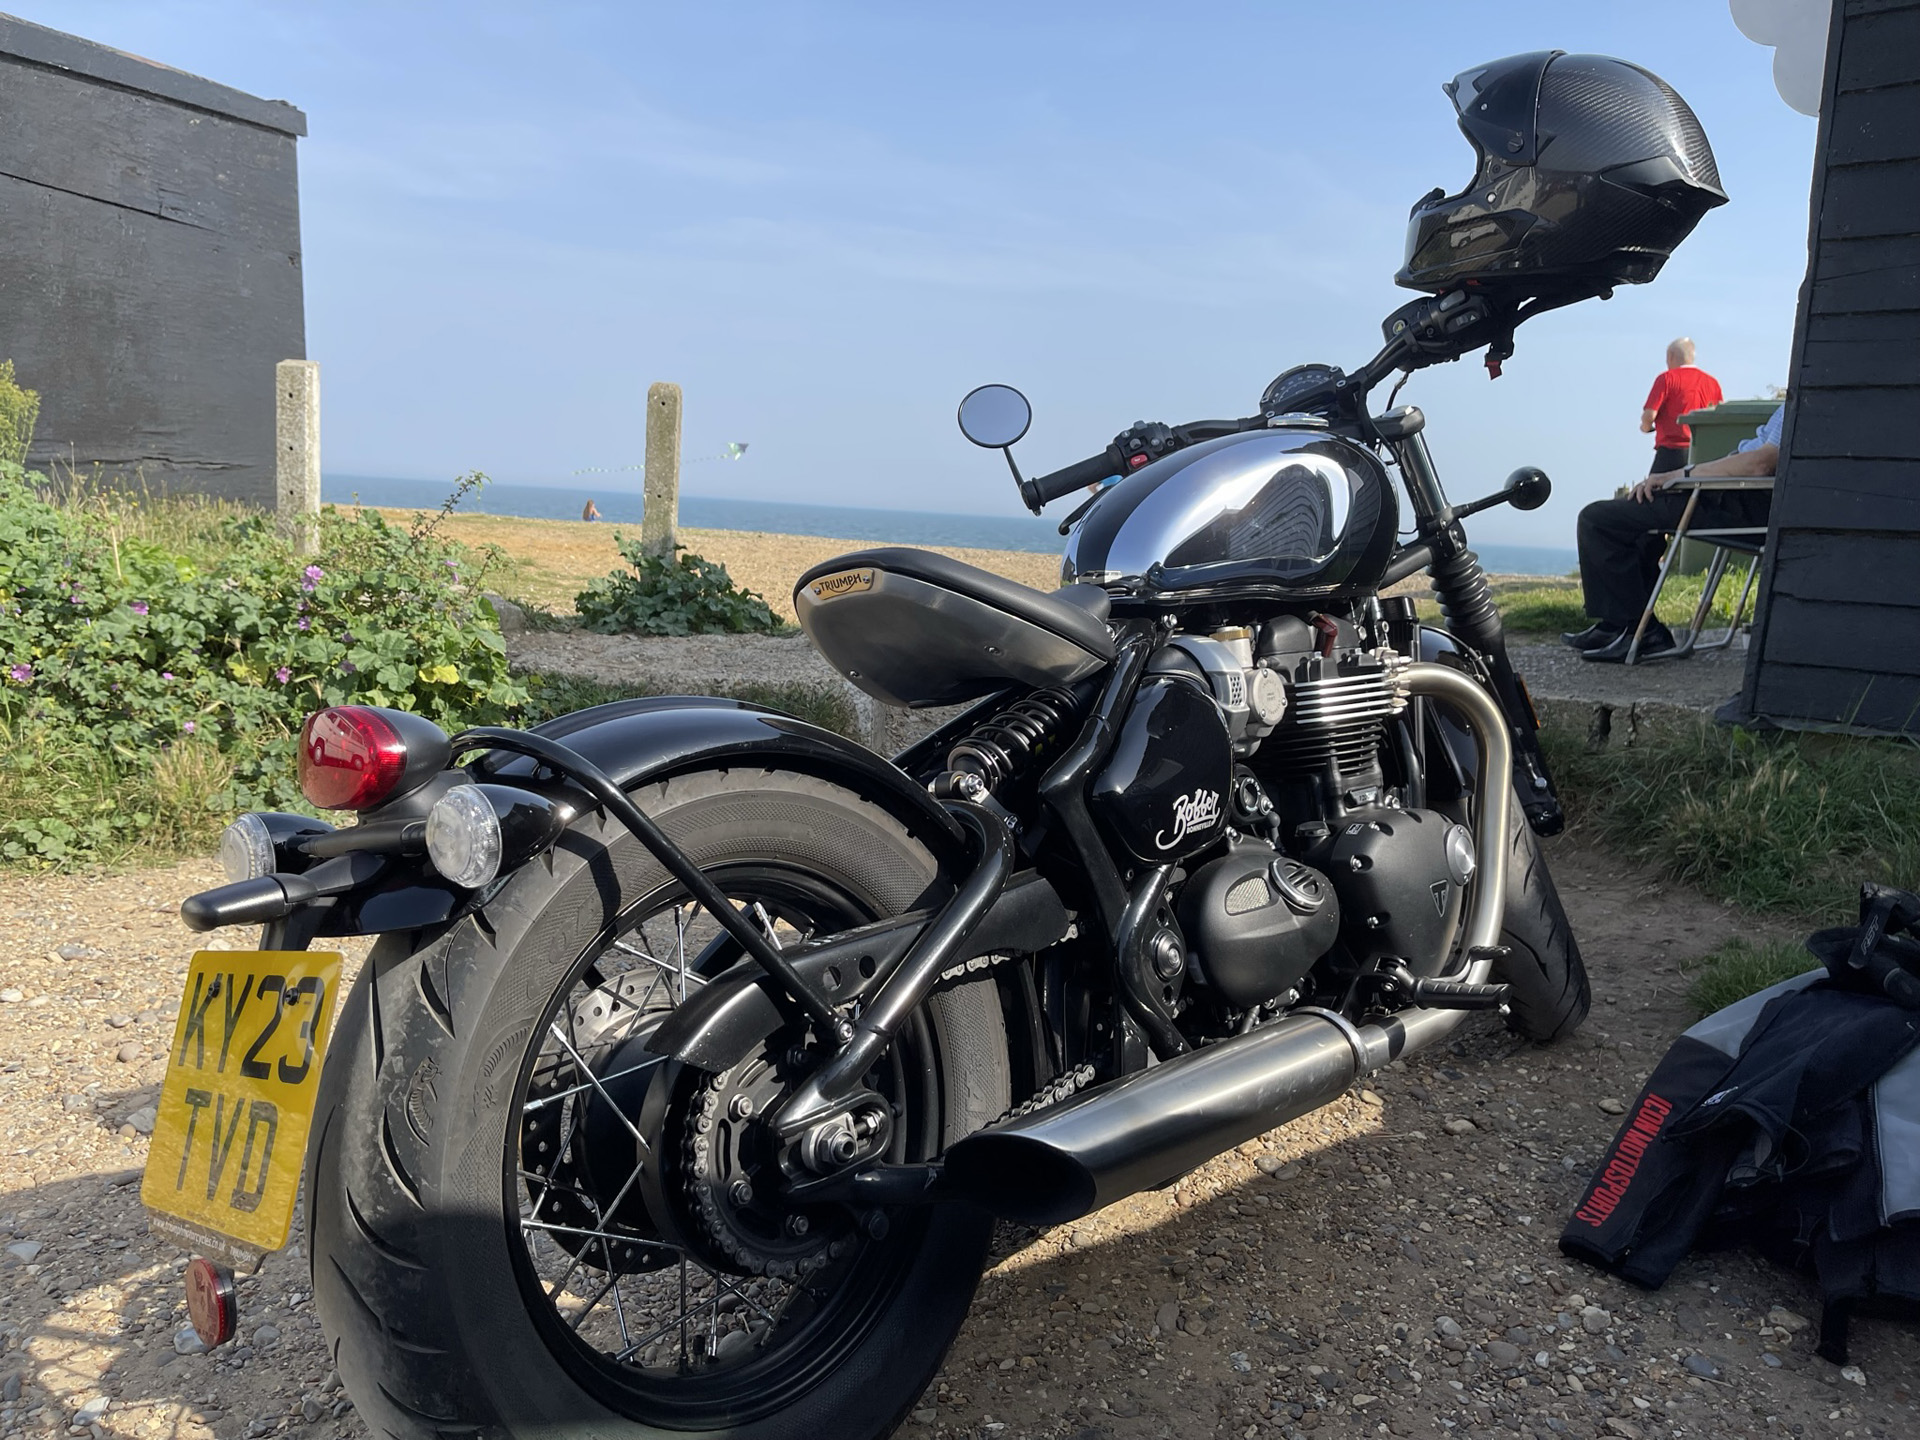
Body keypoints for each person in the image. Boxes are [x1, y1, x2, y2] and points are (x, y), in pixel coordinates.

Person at [1564, 403, 1782, 662]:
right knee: (1637, 516)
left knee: (1597, 519)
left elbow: (1760, 464)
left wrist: (1683, 474)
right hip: (1733, 495)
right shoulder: (1802, 404)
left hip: (1740, 503)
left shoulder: (1799, 406)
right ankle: (1620, 626)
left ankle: (1637, 630)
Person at [1640, 338, 1723, 477]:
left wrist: (1645, 427)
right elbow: (1719, 416)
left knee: (1650, 492)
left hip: (1671, 452)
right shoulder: (1712, 383)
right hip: (1702, 455)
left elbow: (1650, 415)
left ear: (1670, 356)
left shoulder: (1667, 379)